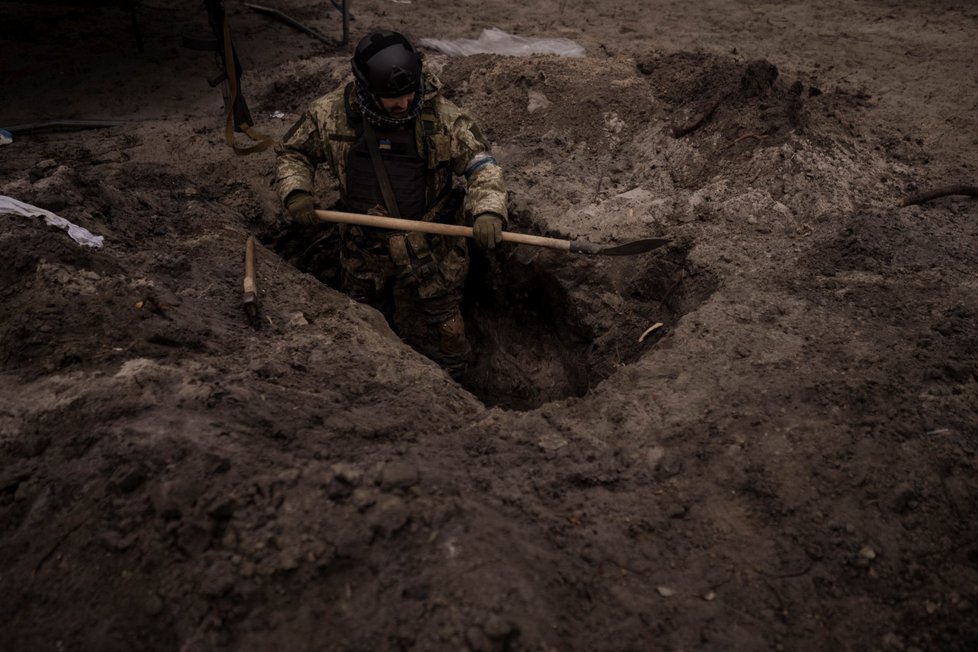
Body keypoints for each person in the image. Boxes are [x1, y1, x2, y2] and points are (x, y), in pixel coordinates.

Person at [275, 30, 507, 380]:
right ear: (367, 89)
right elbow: (294, 152)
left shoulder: (444, 118)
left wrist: (488, 209)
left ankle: (454, 385)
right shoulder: (330, 115)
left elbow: (481, 165)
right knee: (361, 326)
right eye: (390, 98)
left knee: (449, 330)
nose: (402, 103)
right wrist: (297, 192)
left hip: (431, 252)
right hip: (363, 251)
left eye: (408, 93)